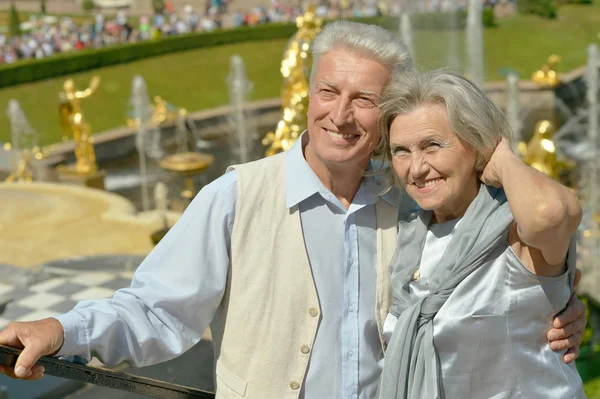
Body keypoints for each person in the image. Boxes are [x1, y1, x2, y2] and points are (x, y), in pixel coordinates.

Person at [0, 22, 587, 399]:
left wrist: (557, 301)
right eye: (329, 91)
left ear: (384, 117)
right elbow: (155, 311)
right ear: (308, 95)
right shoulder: (236, 197)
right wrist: (63, 329)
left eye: (364, 99)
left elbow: (499, 272)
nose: (341, 114)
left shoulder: (408, 205)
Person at [377, 70, 585, 398]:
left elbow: (549, 215)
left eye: (432, 145)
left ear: (475, 144)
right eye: (401, 150)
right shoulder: (407, 238)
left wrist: (502, 157)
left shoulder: (514, 230)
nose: (415, 168)